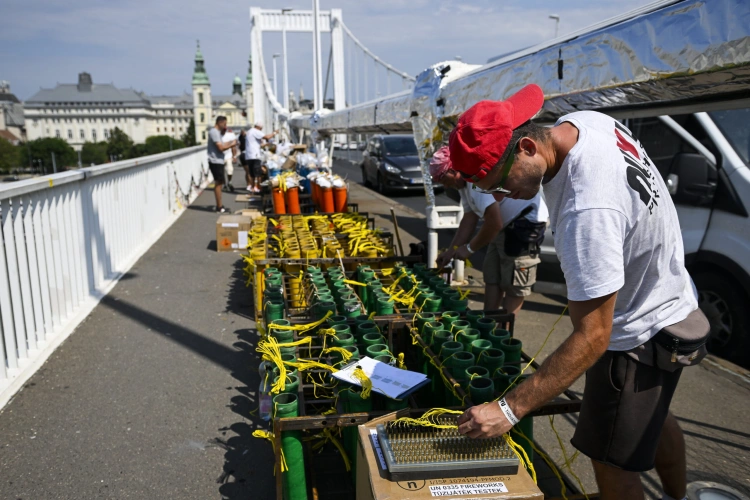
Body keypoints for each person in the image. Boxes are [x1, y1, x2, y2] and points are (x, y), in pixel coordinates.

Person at [449, 84, 709, 500]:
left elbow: (593, 336)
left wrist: (507, 409)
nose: (498, 195)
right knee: (655, 421)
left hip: (636, 336)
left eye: (497, 181)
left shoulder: (586, 210)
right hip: (672, 300)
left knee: (614, 467)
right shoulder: (589, 123)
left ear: (528, 146)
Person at [431, 146, 547, 315]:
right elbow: (469, 218)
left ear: (453, 169)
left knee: (513, 283)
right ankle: (488, 321)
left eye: (443, 178)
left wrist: (469, 248)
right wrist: (451, 251)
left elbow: (494, 223)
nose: (443, 184)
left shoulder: (475, 180)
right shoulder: (462, 185)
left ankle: (503, 334)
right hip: (503, 224)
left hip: (524, 223)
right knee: (492, 275)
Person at [207, 116, 237, 213]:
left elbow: (222, 144)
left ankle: (220, 205)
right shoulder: (214, 132)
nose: (225, 126)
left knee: (220, 183)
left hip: (218, 160)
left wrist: (229, 142)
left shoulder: (216, 133)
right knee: (218, 183)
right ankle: (219, 206)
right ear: (220, 122)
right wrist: (232, 145)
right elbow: (220, 148)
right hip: (215, 160)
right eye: (224, 124)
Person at [245, 122, 278, 194]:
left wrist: (265, 144)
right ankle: (259, 189)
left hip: (249, 155)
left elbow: (257, 144)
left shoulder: (250, 132)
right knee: (258, 173)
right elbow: (267, 137)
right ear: (259, 127)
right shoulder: (256, 131)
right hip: (255, 155)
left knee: (252, 174)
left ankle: (253, 188)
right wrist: (275, 133)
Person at [222, 127, 238, 193]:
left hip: (228, 156)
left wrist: (234, 156)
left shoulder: (229, 135)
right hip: (220, 157)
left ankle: (229, 182)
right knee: (221, 172)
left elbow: (233, 146)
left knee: (230, 170)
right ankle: (225, 184)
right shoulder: (217, 136)